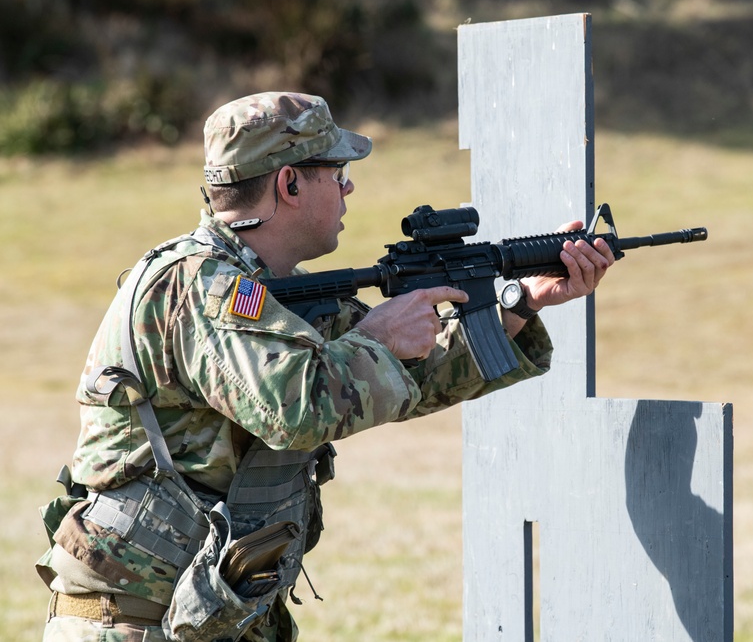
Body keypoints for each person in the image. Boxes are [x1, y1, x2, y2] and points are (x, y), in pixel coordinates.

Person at [35, 91, 615, 641]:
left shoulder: (274, 292)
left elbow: (396, 382)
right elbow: (296, 411)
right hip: (135, 624)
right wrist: (378, 338)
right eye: (336, 174)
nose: (350, 186)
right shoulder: (201, 286)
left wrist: (522, 302)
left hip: (204, 615)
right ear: (288, 183)